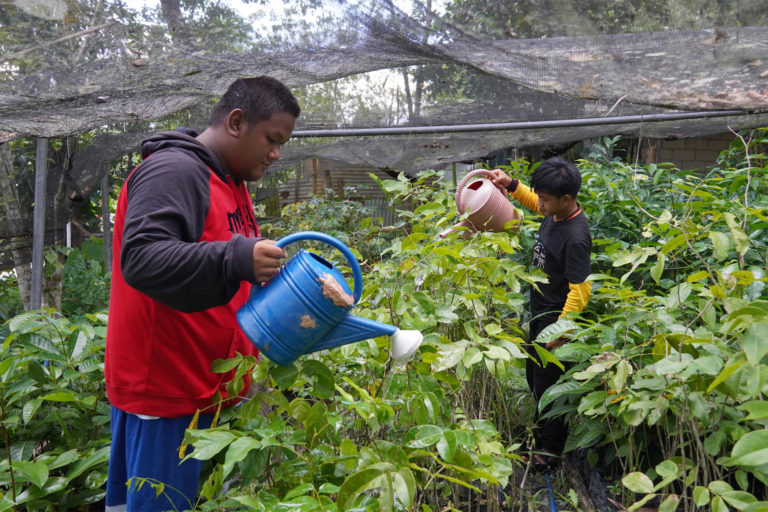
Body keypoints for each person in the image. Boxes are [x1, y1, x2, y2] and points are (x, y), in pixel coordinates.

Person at [104, 76, 301, 511]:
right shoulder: (174, 171)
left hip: (213, 391)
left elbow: (220, 266)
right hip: (169, 395)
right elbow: (142, 258)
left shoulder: (231, 181)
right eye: (272, 139)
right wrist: (237, 258)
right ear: (235, 122)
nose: (276, 153)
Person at [489, 157, 592, 470]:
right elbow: (536, 203)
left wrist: (559, 332)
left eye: (545, 199)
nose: (540, 204)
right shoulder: (555, 214)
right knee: (536, 382)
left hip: (554, 324)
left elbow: (581, 290)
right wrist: (511, 185)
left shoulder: (575, 236)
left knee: (551, 390)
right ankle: (540, 438)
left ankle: (549, 454)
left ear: (566, 199)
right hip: (538, 316)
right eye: (541, 196)